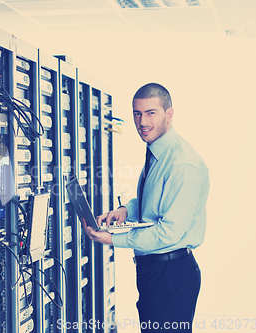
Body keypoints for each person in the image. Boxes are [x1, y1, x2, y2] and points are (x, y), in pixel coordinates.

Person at [82, 83, 209, 332]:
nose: (142, 121)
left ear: (169, 114)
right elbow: (153, 201)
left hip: (170, 274)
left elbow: (168, 233)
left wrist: (112, 239)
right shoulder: (159, 153)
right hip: (157, 272)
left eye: (151, 112)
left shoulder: (182, 164)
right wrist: (124, 211)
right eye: (137, 114)